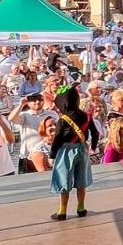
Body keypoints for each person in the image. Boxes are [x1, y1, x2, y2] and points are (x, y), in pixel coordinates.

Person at [48, 84, 94, 221]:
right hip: (82, 148)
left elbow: (57, 139)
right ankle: (81, 207)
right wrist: (94, 147)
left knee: (64, 181)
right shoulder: (87, 116)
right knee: (81, 180)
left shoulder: (63, 120)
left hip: (66, 151)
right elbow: (95, 133)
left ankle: (62, 211)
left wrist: (52, 155)